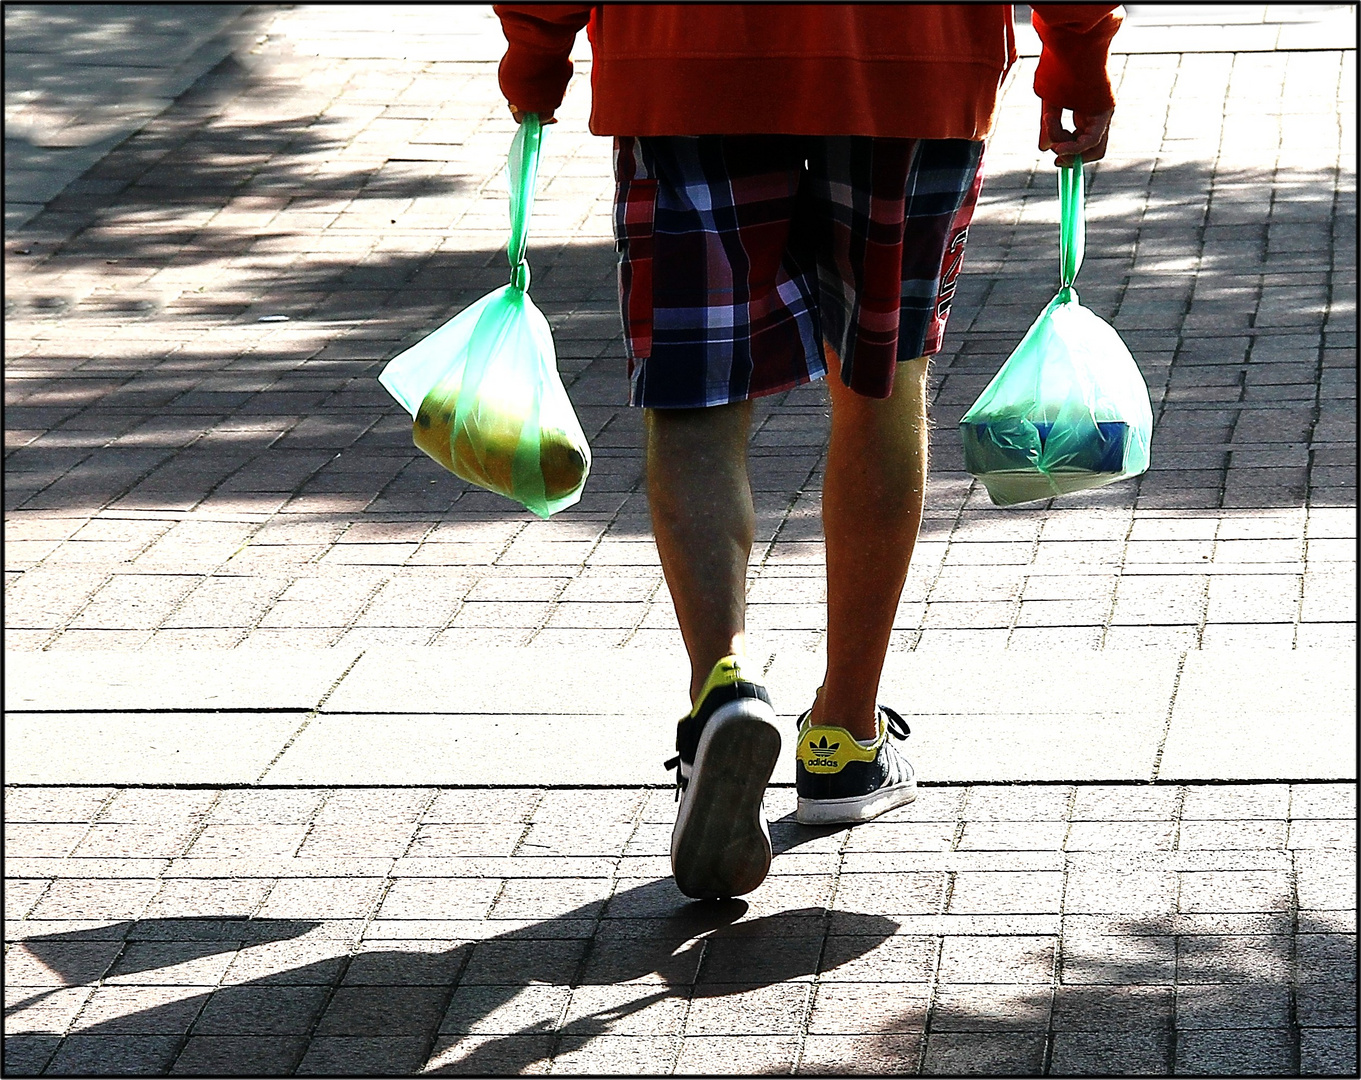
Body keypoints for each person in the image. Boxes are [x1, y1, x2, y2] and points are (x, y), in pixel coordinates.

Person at [494, 3, 1121, 900]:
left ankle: (723, 686)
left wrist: (537, 45)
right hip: (907, 56)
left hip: (685, 55)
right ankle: (843, 738)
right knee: (879, 382)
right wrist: (1076, 51)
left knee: (696, 391)